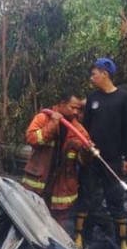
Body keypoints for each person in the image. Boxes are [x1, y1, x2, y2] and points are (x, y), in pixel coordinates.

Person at [75, 57, 127, 249]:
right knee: (86, 197)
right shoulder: (92, 98)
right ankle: (80, 238)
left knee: (115, 199)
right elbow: (84, 128)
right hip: (92, 159)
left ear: (105, 73)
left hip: (112, 159)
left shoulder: (124, 98)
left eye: (94, 74)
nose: (91, 78)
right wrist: (83, 150)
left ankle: (123, 243)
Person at [22, 92, 91, 232]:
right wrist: (53, 124)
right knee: (31, 224)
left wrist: (86, 151)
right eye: (73, 107)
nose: (76, 112)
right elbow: (32, 139)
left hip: (62, 187)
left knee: (59, 228)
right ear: (62, 104)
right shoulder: (43, 118)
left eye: (78, 109)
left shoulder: (79, 131)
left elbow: (82, 162)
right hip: (38, 184)